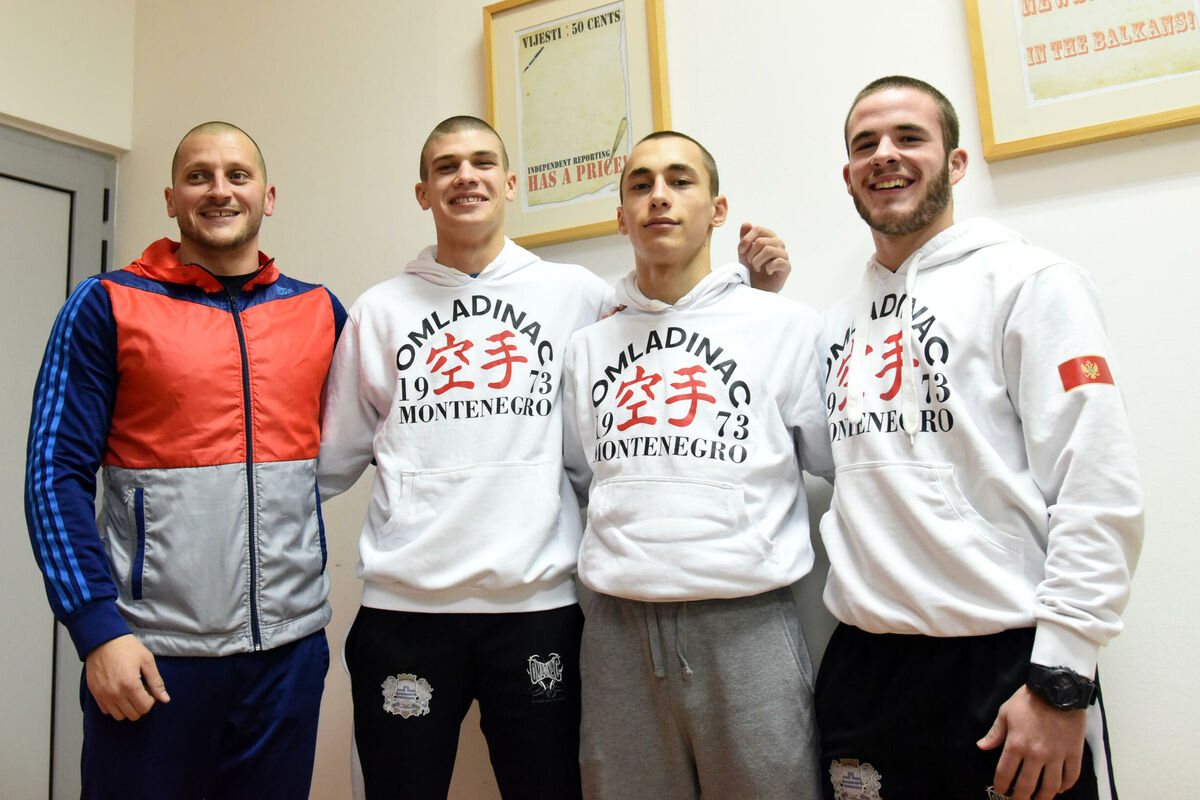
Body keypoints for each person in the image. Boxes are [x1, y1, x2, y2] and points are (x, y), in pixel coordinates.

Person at [317, 116, 792, 799]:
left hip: (540, 605)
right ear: (423, 192)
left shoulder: (579, 295)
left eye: (483, 162)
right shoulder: (379, 310)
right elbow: (332, 458)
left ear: (510, 183)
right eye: (446, 166)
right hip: (405, 610)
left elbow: (669, 334)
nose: (466, 176)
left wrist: (755, 298)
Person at [815, 76, 1143, 800]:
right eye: (866, 144)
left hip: (1008, 673)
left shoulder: (1033, 284)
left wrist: (1062, 678)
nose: (885, 154)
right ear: (849, 176)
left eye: (909, 137)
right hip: (865, 675)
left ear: (956, 163)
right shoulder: (835, 325)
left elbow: (1098, 485)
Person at [24, 121, 345, 799]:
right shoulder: (108, 304)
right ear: (171, 198)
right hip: (152, 656)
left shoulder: (319, 312)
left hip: (288, 658)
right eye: (199, 176)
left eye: (237, 175)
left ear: (268, 196)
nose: (219, 190)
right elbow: (53, 477)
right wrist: (96, 631)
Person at [560, 130, 833, 799]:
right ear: (621, 216)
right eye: (641, 185)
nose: (659, 197)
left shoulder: (786, 326)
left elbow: (837, 465)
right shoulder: (587, 348)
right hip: (618, 633)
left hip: (747, 626)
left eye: (680, 181)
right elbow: (585, 479)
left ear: (717, 209)